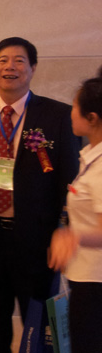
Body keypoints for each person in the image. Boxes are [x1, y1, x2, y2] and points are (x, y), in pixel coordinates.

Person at [0, 37, 80, 353]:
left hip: (38, 240)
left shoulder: (58, 116)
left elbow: (69, 181)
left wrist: (66, 231)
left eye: (19, 60)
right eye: (3, 60)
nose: (10, 67)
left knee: (38, 324)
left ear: (32, 68)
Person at [49, 72, 102, 353]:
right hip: (84, 274)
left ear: (92, 118)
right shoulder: (91, 156)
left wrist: (73, 237)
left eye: (75, 107)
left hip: (96, 279)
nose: (71, 113)